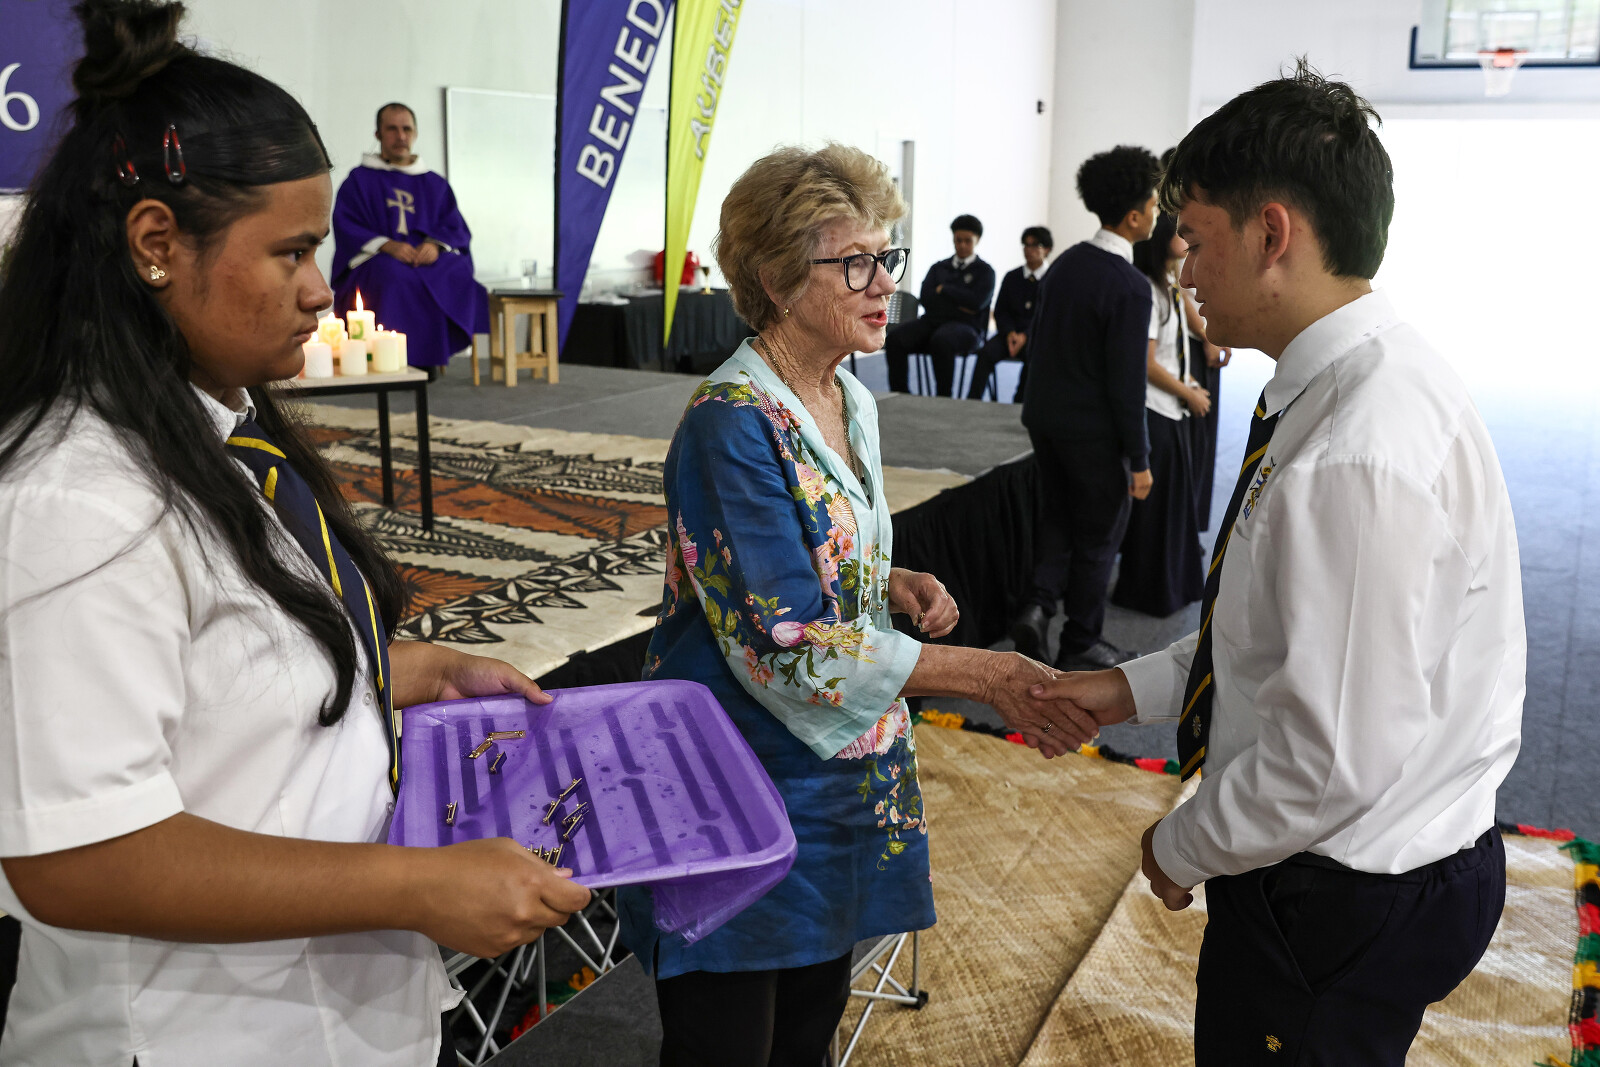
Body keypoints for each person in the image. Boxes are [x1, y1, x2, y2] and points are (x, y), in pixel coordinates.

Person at [0, 4, 590, 1063]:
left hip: (328, 1011)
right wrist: (413, 884)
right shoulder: (76, 501)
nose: (322, 290)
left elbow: (227, 674)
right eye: (293, 252)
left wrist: (404, 669)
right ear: (155, 245)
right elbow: (78, 857)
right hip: (195, 1034)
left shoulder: (221, 429)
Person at [1034, 64, 1522, 1066]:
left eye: (1195, 237)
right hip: (1366, 859)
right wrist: (1123, 688)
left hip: (1338, 894)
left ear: (1271, 235)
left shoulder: (1354, 454)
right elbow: (1268, 633)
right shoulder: (1348, 384)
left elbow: (1324, 765)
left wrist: (1177, 846)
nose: (1181, 269)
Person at [618, 144, 1089, 1067]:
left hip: (832, 775)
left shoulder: (844, 395)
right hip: (738, 778)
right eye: (856, 264)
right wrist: (987, 675)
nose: (886, 286)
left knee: (809, 1025)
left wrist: (887, 578)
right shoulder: (731, 422)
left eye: (887, 258)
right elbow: (788, 640)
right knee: (728, 1040)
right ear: (775, 279)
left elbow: (815, 549)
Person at [1010, 145, 1161, 671]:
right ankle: (1081, 640)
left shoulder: (1066, 264)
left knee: (1057, 520)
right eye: (1154, 204)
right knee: (1099, 537)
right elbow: (1127, 385)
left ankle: (1036, 607)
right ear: (1135, 216)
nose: (1158, 213)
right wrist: (1139, 460)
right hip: (1094, 433)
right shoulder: (1131, 286)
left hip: (1045, 420)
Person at [331, 102, 489, 377]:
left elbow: (453, 225)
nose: (401, 136)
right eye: (392, 129)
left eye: (406, 129)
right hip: (379, 259)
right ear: (378, 134)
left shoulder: (435, 183)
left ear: (415, 133)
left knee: (452, 270)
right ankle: (392, 361)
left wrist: (434, 244)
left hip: (424, 258)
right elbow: (347, 224)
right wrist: (387, 245)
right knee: (392, 274)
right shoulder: (359, 180)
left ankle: (432, 358)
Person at [1110, 212, 1207, 617]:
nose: (1186, 239)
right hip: (1156, 410)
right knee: (1157, 514)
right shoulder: (1147, 290)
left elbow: (1175, 349)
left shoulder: (1169, 285)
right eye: (1179, 233)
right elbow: (1146, 364)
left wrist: (1189, 384)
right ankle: (1147, 593)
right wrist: (1187, 392)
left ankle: (1172, 588)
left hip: (1172, 409)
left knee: (1173, 508)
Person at [883, 214, 995, 396]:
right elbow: (926, 299)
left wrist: (944, 289)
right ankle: (900, 394)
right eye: (958, 240)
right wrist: (960, 304)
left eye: (968, 241)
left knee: (942, 341)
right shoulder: (939, 267)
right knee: (895, 339)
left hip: (968, 327)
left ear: (977, 240)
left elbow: (976, 303)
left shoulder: (985, 272)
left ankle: (944, 398)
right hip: (932, 322)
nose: (962, 245)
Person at [964, 226, 1052, 401]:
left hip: (1036, 337)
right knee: (985, 354)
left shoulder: (1052, 279)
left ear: (1047, 249)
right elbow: (1001, 311)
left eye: (1035, 245)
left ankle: (1019, 404)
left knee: (1036, 357)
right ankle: (972, 401)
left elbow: (1049, 316)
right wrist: (1010, 332)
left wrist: (1026, 336)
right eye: (1026, 245)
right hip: (1008, 335)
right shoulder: (1012, 277)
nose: (1029, 250)